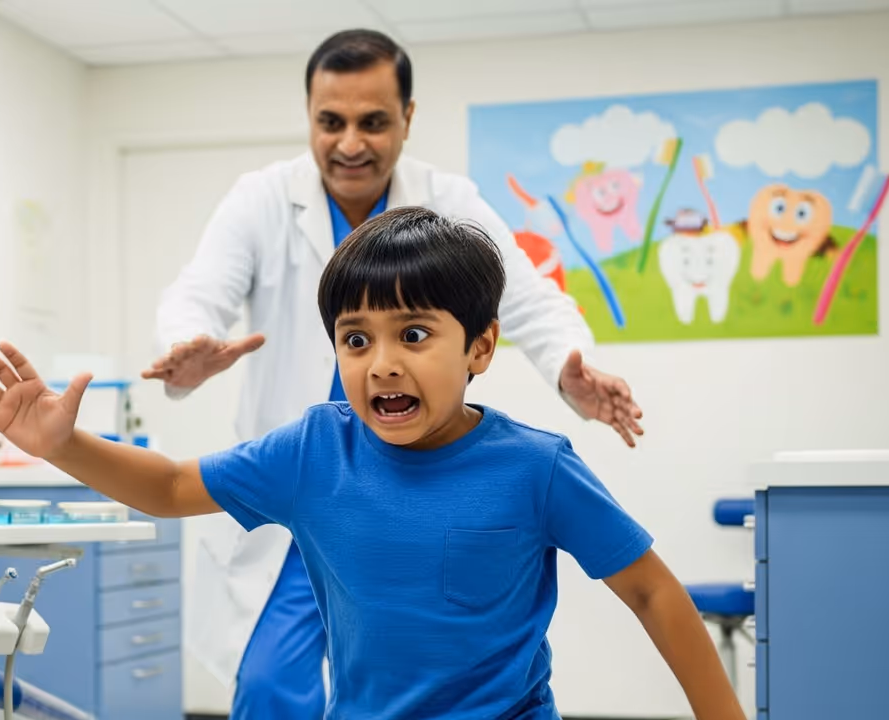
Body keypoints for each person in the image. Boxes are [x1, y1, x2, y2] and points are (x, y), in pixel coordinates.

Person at [0, 207, 744, 720]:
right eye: (356, 338)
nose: (379, 363)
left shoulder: (535, 469)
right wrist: (63, 444)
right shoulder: (314, 450)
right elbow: (169, 488)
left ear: (480, 346)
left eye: (413, 335)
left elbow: (650, 590)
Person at [139, 28, 646, 718]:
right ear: (310, 119)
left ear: (408, 118)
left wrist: (568, 369)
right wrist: (189, 342)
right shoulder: (261, 198)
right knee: (269, 688)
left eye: (373, 122)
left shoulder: (448, 199)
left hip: (402, 483)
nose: (351, 143)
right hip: (314, 481)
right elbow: (199, 291)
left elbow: (528, 298)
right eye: (331, 122)